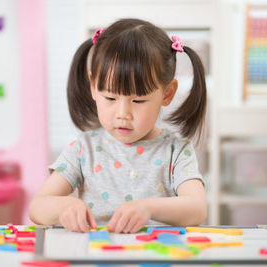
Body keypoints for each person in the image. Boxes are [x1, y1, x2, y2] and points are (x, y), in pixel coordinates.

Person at [29, 18, 208, 234]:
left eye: (138, 101)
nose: (123, 114)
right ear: (94, 87)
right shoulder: (83, 149)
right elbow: (37, 207)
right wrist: (64, 206)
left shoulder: (176, 151)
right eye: (110, 99)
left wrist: (148, 208)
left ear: (167, 93)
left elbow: (197, 208)